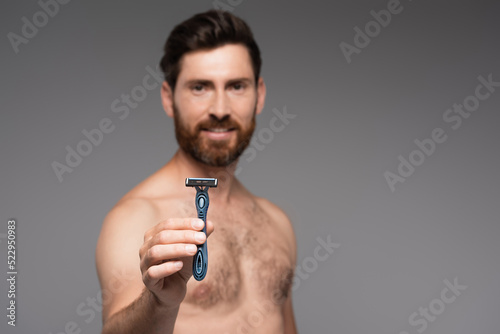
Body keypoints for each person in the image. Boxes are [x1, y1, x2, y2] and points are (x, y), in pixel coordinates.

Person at [96, 9, 297, 334]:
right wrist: (159, 302)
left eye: (236, 86)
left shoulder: (277, 223)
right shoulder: (134, 218)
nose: (219, 109)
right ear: (168, 98)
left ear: (259, 95)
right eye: (200, 87)